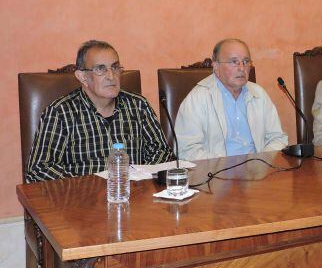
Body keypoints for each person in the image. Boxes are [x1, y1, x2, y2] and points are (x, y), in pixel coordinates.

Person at [26, 40, 173, 183]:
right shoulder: (60, 113)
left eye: (115, 67)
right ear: (82, 77)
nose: (111, 76)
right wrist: (89, 184)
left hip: (134, 196)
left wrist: (141, 176)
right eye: (100, 69)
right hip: (81, 201)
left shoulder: (138, 105)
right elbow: (39, 170)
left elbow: (162, 152)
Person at [175, 38, 288, 160]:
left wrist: (260, 163)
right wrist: (226, 168)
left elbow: (277, 138)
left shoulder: (259, 94)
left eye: (246, 61)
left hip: (258, 171)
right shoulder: (197, 98)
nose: (242, 68)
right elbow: (186, 150)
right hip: (216, 174)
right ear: (216, 66)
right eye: (234, 62)